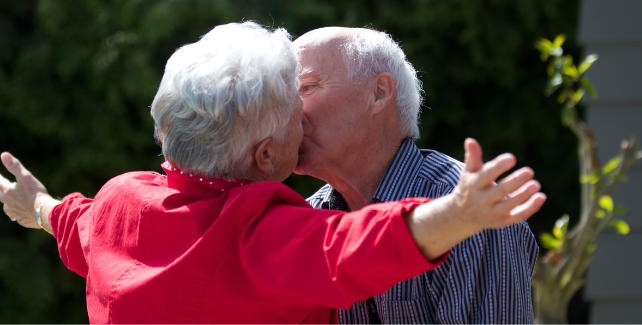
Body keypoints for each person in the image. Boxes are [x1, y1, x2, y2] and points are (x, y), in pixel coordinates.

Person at [0, 22, 546, 324]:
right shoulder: (270, 229)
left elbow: (80, 223)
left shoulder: (124, 200)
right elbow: (355, 250)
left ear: (380, 94)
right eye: (292, 99)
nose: (300, 113)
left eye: (306, 89)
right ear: (265, 156)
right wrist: (452, 216)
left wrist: (37, 207)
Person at [293, 27, 541, 323]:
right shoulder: (306, 220)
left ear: (379, 93)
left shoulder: (472, 211)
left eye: (306, 88)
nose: (289, 111)